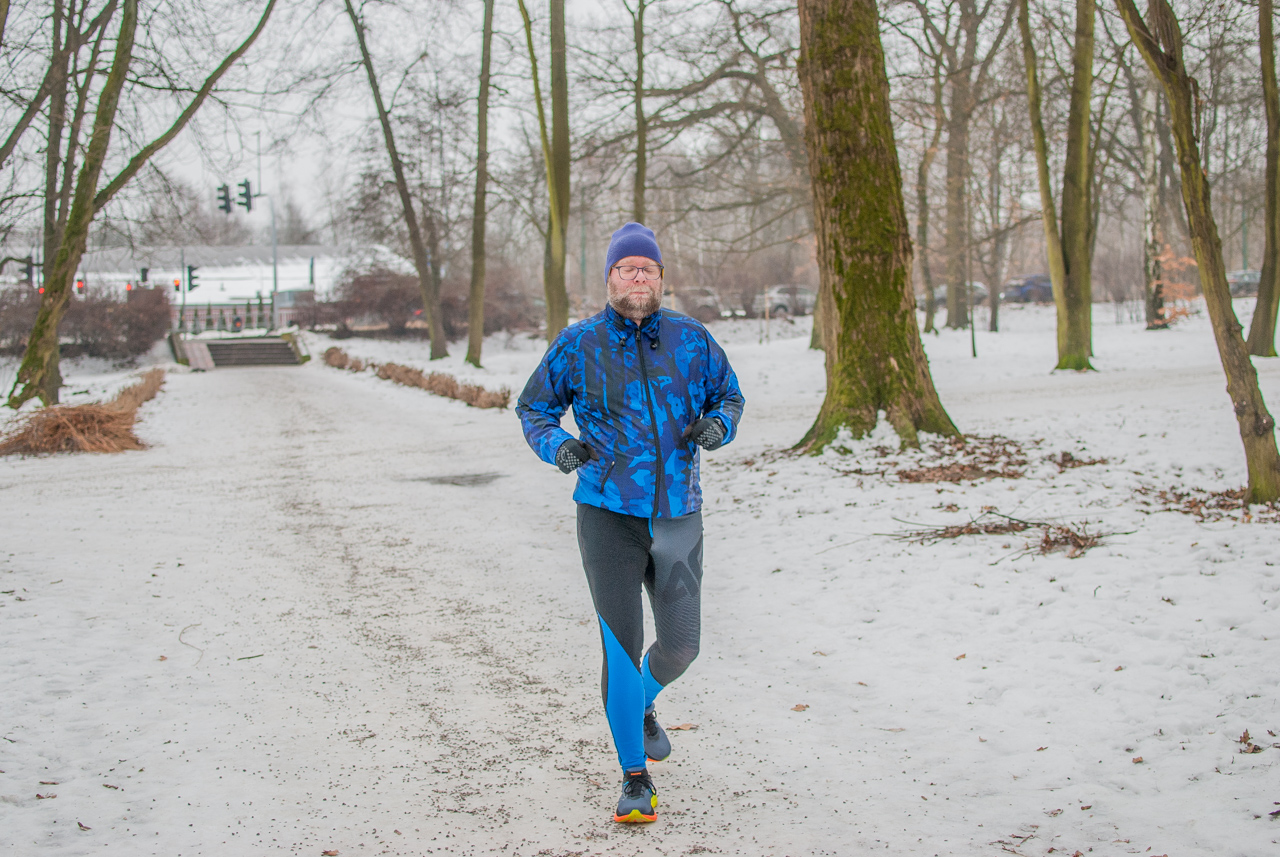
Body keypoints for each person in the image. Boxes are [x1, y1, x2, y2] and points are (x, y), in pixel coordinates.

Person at [516, 222, 745, 823]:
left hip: (678, 515)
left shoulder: (693, 340)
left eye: (646, 268)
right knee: (620, 647)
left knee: (682, 646)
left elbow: (730, 396)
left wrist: (718, 427)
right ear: (611, 278)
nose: (636, 276)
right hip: (607, 515)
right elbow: (533, 407)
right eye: (625, 268)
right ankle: (634, 778)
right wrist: (558, 448)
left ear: (661, 278)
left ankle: (640, 705)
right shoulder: (579, 343)